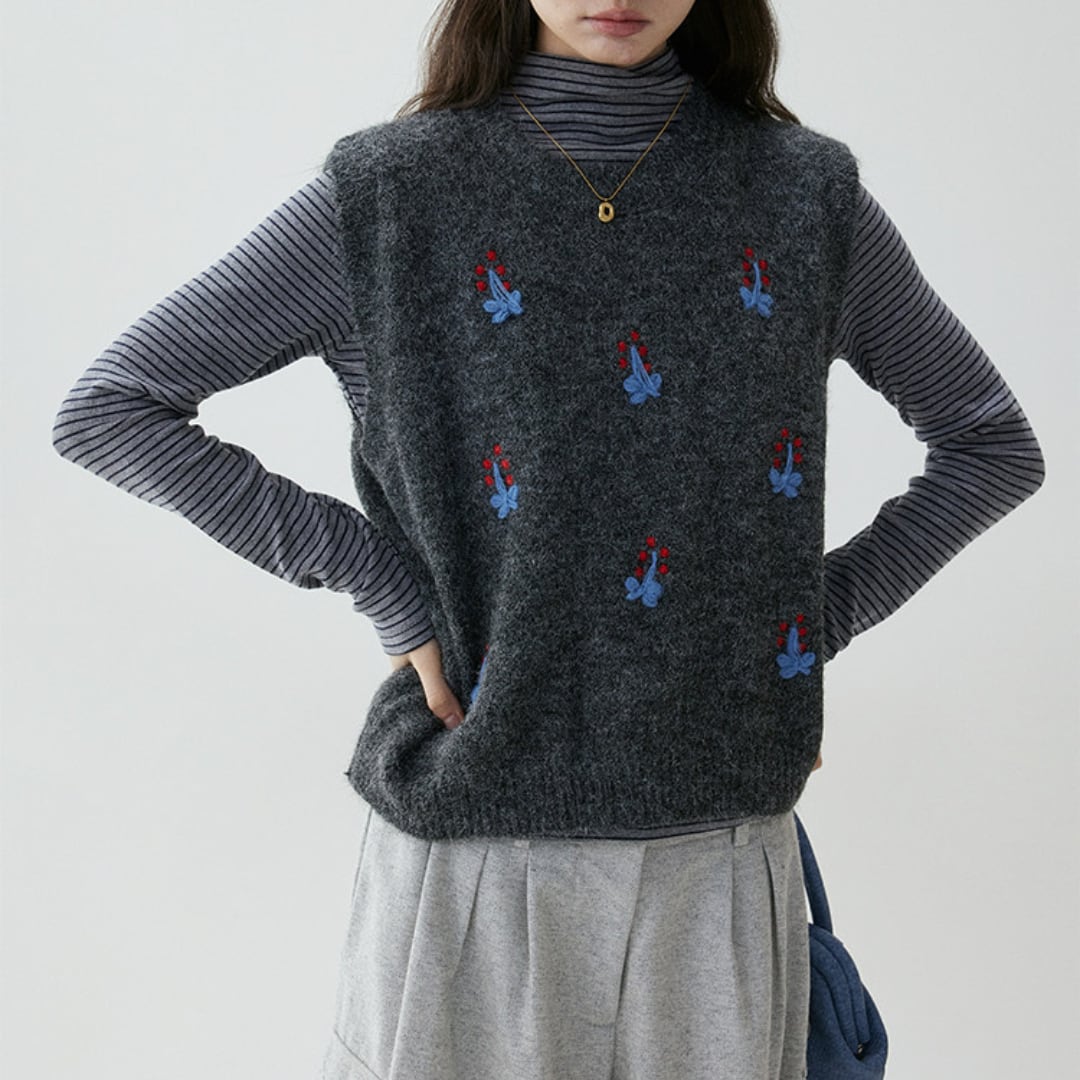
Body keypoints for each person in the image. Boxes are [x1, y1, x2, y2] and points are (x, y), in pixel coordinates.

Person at [50, 1, 1046, 1078]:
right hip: (472, 852)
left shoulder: (804, 192)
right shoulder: (390, 194)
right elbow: (114, 409)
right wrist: (382, 583)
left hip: (715, 856)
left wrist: (798, 627)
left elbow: (990, 445)